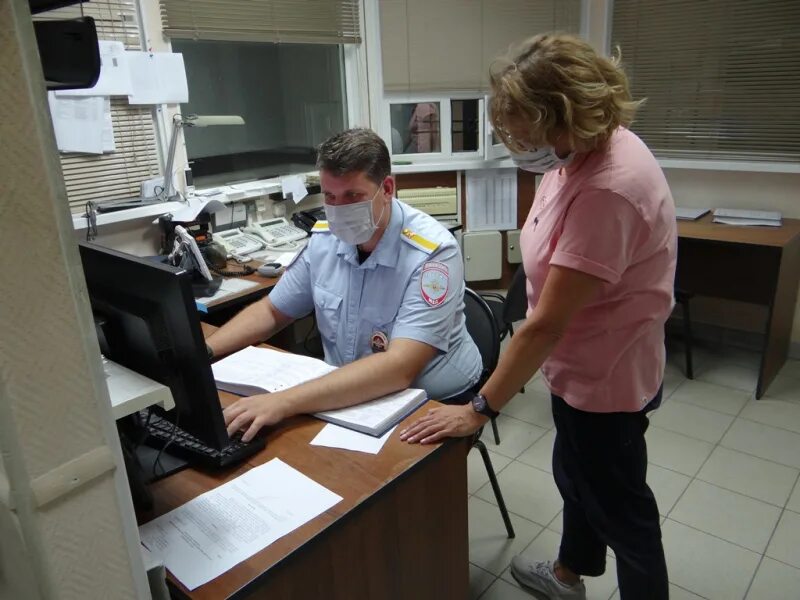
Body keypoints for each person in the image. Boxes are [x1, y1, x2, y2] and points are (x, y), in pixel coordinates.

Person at [400, 34, 676, 600]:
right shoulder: (584, 149)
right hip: (576, 366)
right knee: (577, 480)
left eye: (527, 130)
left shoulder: (610, 188)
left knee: (622, 509)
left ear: (567, 114)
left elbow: (547, 324)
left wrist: (480, 407)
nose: (520, 145)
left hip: (607, 377)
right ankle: (570, 575)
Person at [209, 128, 482, 443]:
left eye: (353, 196)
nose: (338, 209)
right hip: (347, 390)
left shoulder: (432, 252)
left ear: (388, 188)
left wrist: (284, 401)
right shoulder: (324, 239)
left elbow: (400, 366)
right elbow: (273, 311)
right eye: (329, 197)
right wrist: (206, 350)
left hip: (431, 397)